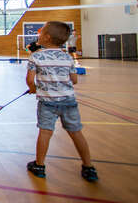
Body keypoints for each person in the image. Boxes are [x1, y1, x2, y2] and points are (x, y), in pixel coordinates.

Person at [25, 21, 98, 182]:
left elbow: (30, 80)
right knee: (76, 132)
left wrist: (33, 88)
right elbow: (74, 80)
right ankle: (89, 167)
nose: (38, 34)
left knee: (45, 132)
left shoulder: (36, 56)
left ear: (47, 37)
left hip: (47, 104)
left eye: (41, 32)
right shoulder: (67, 57)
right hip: (69, 102)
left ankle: (39, 165)